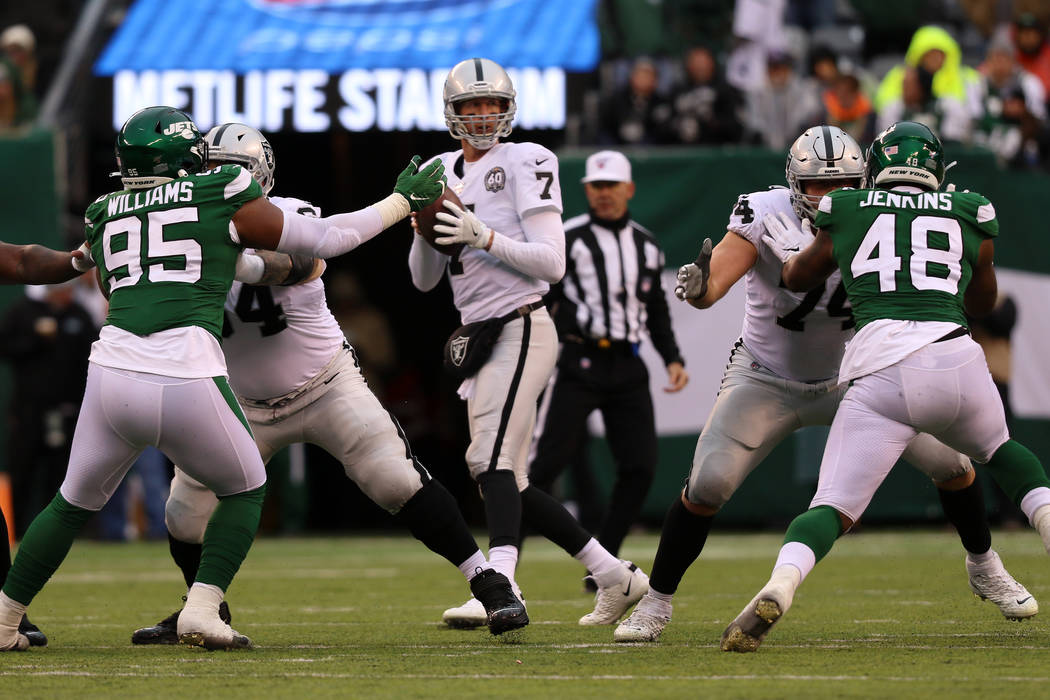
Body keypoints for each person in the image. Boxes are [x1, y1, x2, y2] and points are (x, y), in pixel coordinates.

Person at [0, 105, 446, 652]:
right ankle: (204, 610)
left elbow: (33, 265)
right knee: (247, 485)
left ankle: (3, 620)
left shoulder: (105, 210)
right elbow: (324, 239)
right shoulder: (220, 189)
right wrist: (400, 202)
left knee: (70, 503)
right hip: (186, 368)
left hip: (111, 371)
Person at [614, 124, 1036, 644]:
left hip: (859, 377)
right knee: (708, 486)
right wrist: (702, 289)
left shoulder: (876, 211)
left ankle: (985, 564)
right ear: (793, 183)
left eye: (842, 183)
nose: (829, 195)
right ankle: (656, 603)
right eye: (817, 185)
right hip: (769, 375)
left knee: (954, 465)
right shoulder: (766, 210)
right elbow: (720, 276)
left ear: (867, 178)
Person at [129, 123, 527, 643]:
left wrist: (229, 259)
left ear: (261, 178)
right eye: (211, 170)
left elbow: (304, 261)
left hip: (323, 385)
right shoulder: (185, 228)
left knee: (393, 480)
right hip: (240, 400)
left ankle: (489, 583)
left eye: (235, 171)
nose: (221, 180)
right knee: (183, 512)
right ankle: (203, 606)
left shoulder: (290, 212)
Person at [410, 58, 648, 630]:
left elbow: (553, 262)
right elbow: (421, 279)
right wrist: (422, 224)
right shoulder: (440, 170)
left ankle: (502, 582)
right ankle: (616, 576)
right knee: (509, 477)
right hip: (481, 332)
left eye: (491, 104)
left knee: (487, 459)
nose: (482, 115)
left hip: (522, 320)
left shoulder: (528, 159)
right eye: (471, 106)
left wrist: (483, 235)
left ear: (507, 108)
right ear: (453, 113)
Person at [530, 149, 689, 563]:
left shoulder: (646, 245)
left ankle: (607, 561)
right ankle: (503, 563)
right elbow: (544, 298)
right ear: (586, 190)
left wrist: (671, 357)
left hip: (628, 365)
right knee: (539, 470)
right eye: (596, 186)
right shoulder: (568, 238)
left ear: (629, 189)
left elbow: (655, 307)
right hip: (577, 363)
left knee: (639, 469)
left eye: (611, 186)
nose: (603, 194)